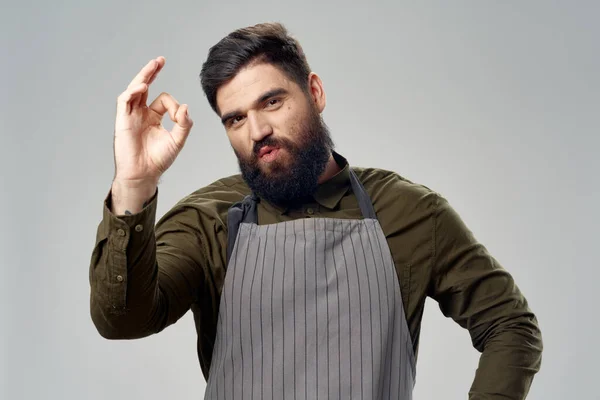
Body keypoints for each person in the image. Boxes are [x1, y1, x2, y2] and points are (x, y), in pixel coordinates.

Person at [89, 22, 543, 400]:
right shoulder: (209, 218)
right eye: (236, 118)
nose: (259, 131)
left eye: (272, 101)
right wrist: (134, 183)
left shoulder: (407, 210)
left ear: (315, 92)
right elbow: (122, 319)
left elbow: (510, 325)